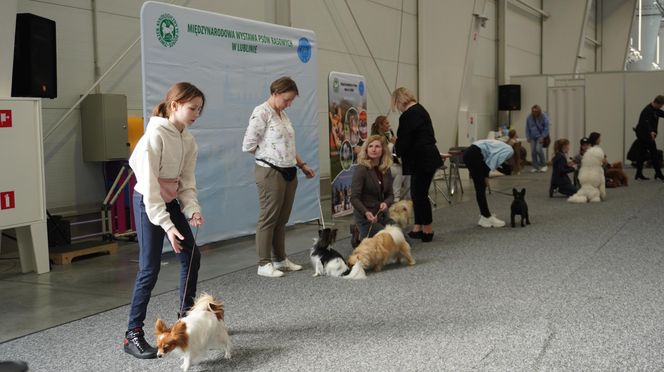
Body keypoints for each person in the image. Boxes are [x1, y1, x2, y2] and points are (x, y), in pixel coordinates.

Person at [124, 82, 206, 359]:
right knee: (150, 268)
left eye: (200, 109)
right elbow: (150, 191)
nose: (197, 114)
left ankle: (186, 321)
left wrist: (192, 208)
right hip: (149, 202)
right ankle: (132, 334)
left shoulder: (189, 140)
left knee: (192, 256)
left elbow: (186, 182)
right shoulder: (153, 138)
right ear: (174, 105)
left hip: (169, 201)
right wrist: (168, 227)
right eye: (192, 108)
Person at [242, 76, 316, 278]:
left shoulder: (282, 115)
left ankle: (280, 258)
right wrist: (268, 156)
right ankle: (263, 263)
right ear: (275, 94)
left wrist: (302, 164)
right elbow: (248, 145)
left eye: (292, 100)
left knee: (282, 219)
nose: (289, 104)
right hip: (270, 171)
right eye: (287, 99)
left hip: (290, 169)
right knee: (268, 217)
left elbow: (289, 145)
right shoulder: (261, 113)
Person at [392, 87, 443, 243]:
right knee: (417, 193)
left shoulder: (408, 115)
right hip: (427, 158)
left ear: (399, 101)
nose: (398, 109)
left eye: (396, 105)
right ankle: (418, 227)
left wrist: (396, 146)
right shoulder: (421, 110)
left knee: (419, 195)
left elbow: (404, 141)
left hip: (421, 160)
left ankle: (427, 229)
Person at [350, 135, 396, 240]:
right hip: (365, 216)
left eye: (377, 146)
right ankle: (358, 229)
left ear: (383, 150)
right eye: (370, 146)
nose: (373, 149)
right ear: (366, 149)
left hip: (381, 215)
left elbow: (390, 195)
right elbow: (354, 198)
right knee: (387, 240)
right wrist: (366, 212)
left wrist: (386, 203)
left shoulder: (386, 169)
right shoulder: (361, 169)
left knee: (402, 239)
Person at [462, 139, 514, 228]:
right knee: (480, 188)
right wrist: (485, 176)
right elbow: (492, 163)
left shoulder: (502, 146)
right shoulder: (509, 151)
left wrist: (485, 176)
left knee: (480, 187)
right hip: (475, 154)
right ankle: (486, 217)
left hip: (469, 153)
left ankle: (484, 216)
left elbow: (489, 161)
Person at [371, 115, 410, 201]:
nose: (389, 125)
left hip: (388, 163)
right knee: (400, 171)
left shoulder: (385, 136)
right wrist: (392, 144)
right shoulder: (377, 137)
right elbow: (383, 153)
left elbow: (392, 153)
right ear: (380, 125)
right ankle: (395, 197)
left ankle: (409, 197)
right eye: (387, 123)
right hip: (379, 166)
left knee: (407, 171)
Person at [634, 95, 664, 181]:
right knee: (654, 154)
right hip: (644, 136)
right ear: (657, 103)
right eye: (661, 105)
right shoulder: (647, 110)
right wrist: (651, 131)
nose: (661, 107)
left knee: (641, 154)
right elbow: (646, 123)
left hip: (647, 136)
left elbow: (662, 114)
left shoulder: (656, 110)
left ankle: (638, 174)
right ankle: (659, 174)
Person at [525, 104, 549, 172]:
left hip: (540, 136)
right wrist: (528, 136)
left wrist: (543, 137)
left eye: (536, 111)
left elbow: (546, 128)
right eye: (533, 111)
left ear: (539, 111)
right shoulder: (529, 117)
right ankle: (535, 167)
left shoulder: (544, 116)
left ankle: (544, 165)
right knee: (533, 151)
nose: (534, 113)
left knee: (538, 149)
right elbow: (527, 128)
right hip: (532, 137)